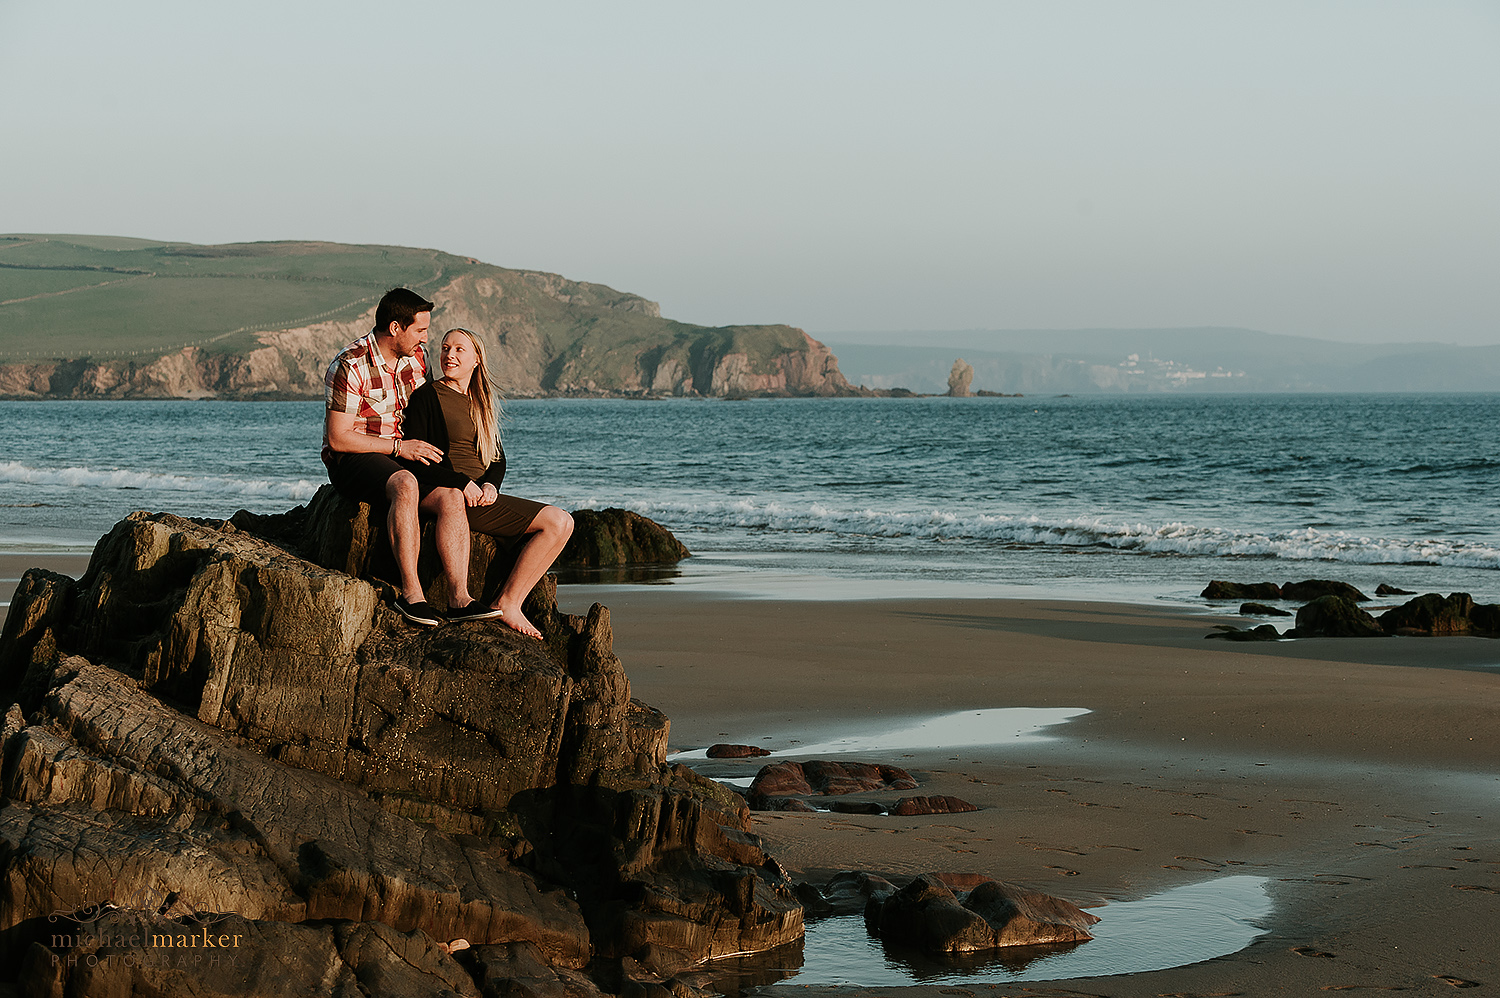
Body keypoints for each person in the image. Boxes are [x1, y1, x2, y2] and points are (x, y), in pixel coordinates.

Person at [321, 288, 493, 626]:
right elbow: (338, 438)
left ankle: (460, 599)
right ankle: (412, 596)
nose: (427, 339)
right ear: (395, 328)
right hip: (355, 456)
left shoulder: (416, 357)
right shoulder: (351, 364)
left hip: (406, 452)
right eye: (420, 330)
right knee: (405, 483)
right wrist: (400, 448)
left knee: (451, 496)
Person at [400, 327, 574, 639]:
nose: (449, 355)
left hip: (480, 496)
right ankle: (499, 603)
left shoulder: (481, 401)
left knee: (561, 523)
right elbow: (420, 457)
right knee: (558, 522)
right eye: (445, 348)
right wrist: (461, 482)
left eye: (458, 350)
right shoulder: (428, 396)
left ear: (476, 359)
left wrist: (492, 485)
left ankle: (509, 601)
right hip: (448, 494)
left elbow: (496, 457)